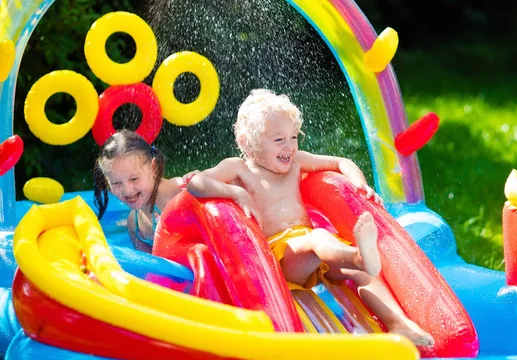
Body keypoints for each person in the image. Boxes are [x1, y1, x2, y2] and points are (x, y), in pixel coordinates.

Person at [196, 89, 434, 346]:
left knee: (362, 273)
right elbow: (197, 183)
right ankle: (359, 256)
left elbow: (342, 163)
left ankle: (398, 322)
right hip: (281, 258)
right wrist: (235, 193)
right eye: (278, 140)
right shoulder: (239, 169)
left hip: (314, 255)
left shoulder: (297, 161)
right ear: (246, 142)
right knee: (322, 239)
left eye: (293, 137)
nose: (289, 146)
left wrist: (360, 185)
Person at [93, 129, 260, 253]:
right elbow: (148, 268)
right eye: (115, 183)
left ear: (153, 167)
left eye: (134, 179)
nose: (127, 190)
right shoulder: (134, 224)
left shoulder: (180, 191)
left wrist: (228, 190)